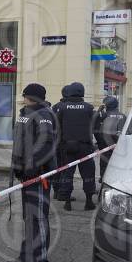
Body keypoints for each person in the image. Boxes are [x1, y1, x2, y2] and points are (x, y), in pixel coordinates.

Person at [8, 83, 57, 262]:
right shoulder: (25, 113)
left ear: (32, 97)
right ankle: (27, 256)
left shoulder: (44, 114)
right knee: (29, 218)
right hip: (25, 174)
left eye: (25, 95)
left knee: (38, 219)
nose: (23, 98)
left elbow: (45, 144)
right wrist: (18, 167)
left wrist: (32, 167)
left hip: (38, 176)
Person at [54, 82, 96, 211]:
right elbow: (94, 126)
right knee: (88, 174)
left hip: (68, 147)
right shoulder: (89, 108)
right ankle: (89, 201)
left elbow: (57, 127)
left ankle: (67, 202)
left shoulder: (63, 108)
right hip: (85, 147)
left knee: (67, 174)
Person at [94, 96, 126, 181]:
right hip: (120, 147)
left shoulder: (104, 115)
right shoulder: (123, 116)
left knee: (105, 164)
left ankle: (103, 180)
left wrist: (98, 111)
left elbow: (94, 124)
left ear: (106, 106)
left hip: (105, 146)